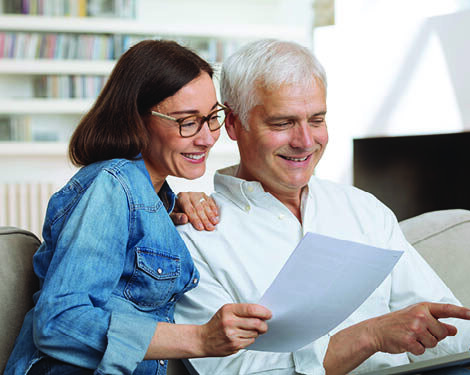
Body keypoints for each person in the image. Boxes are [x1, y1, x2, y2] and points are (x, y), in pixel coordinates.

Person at [174, 39, 470, 375]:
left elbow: (440, 317)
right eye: (282, 122)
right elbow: (233, 370)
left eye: (317, 119)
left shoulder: (361, 209)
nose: (306, 140)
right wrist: (371, 335)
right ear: (233, 124)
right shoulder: (197, 236)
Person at [4, 40, 271, 375]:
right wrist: (201, 339)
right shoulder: (113, 186)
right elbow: (57, 322)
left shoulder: (157, 199)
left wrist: (174, 209)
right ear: (137, 119)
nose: (206, 138)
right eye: (187, 122)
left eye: (211, 117)